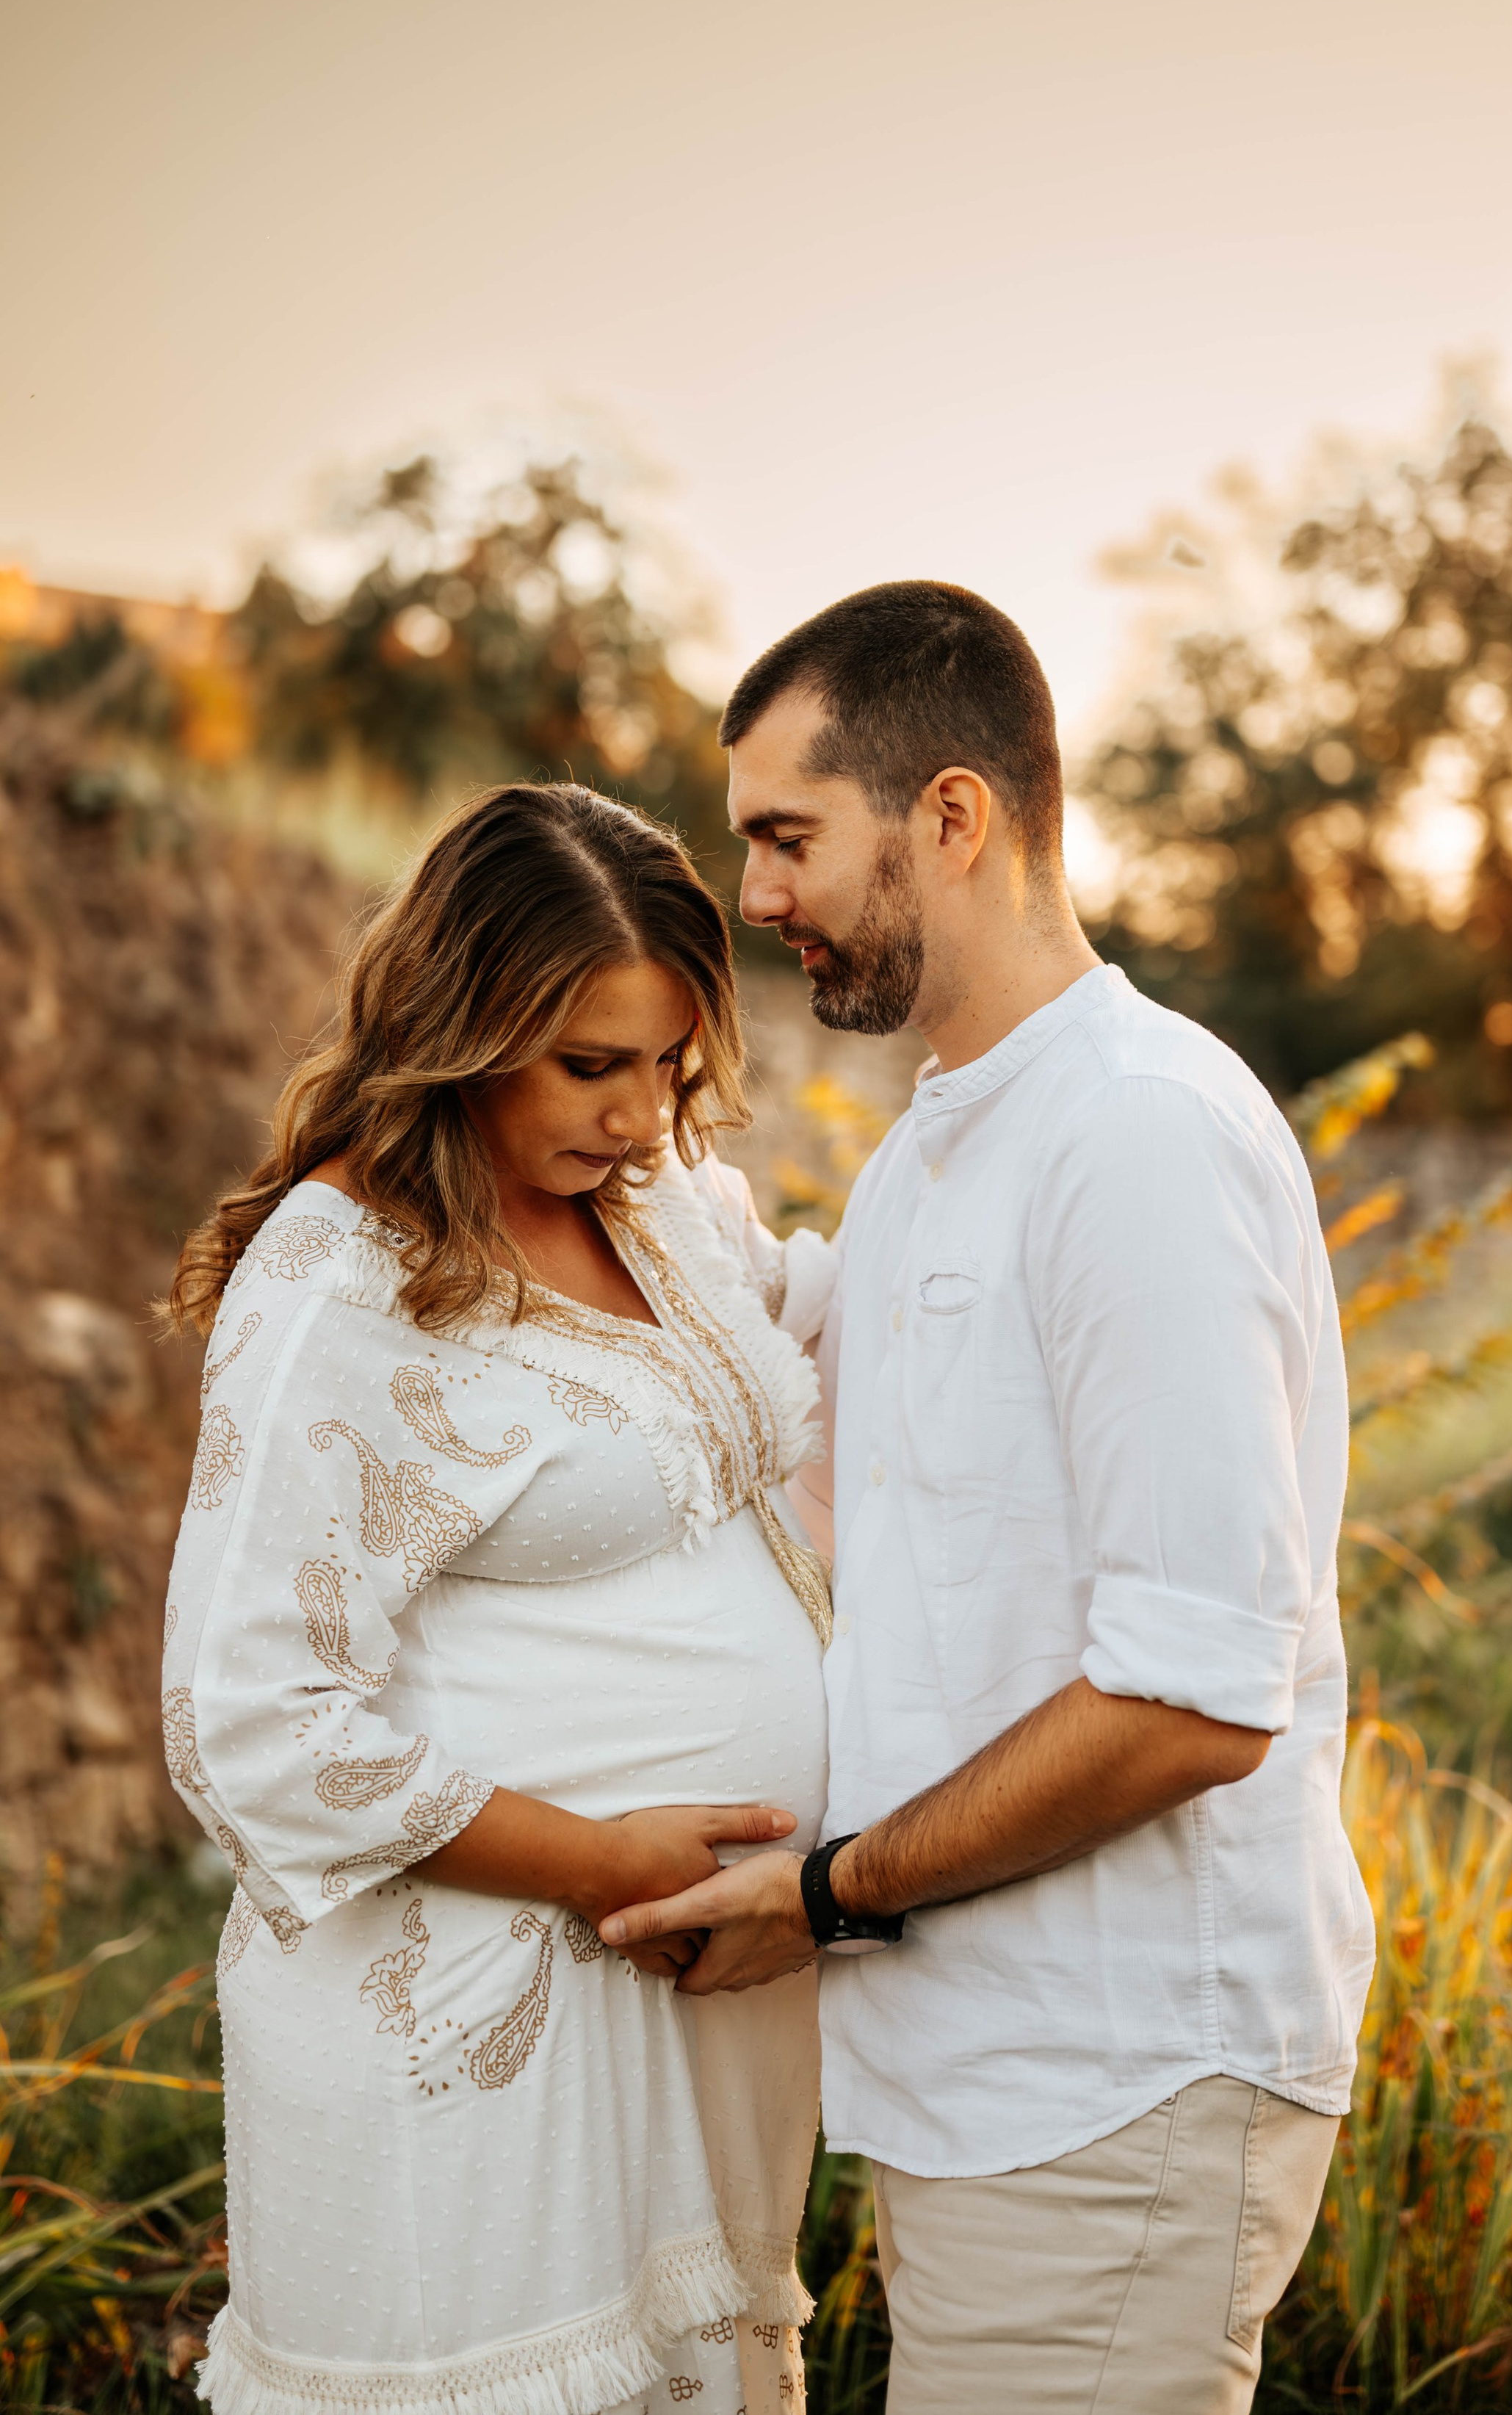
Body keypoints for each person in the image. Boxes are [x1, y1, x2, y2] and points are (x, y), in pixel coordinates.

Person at [604, 582, 1376, 2413]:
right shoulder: (942, 1145)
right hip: (985, 2080)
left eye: (787, 837)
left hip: (1113, 2081)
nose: (760, 895)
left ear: (951, 815)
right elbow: (803, 1396)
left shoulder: (1134, 1132)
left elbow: (1192, 1698)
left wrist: (833, 1890)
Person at [162, 781, 837, 2415]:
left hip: (703, 2008)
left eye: (670, 1060)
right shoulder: (344, 1279)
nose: (639, 1108)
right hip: (479, 2031)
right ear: (455, 1030)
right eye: (588, 1064)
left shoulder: (660, 1199)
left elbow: (823, 1310)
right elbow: (248, 1719)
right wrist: (604, 1861)